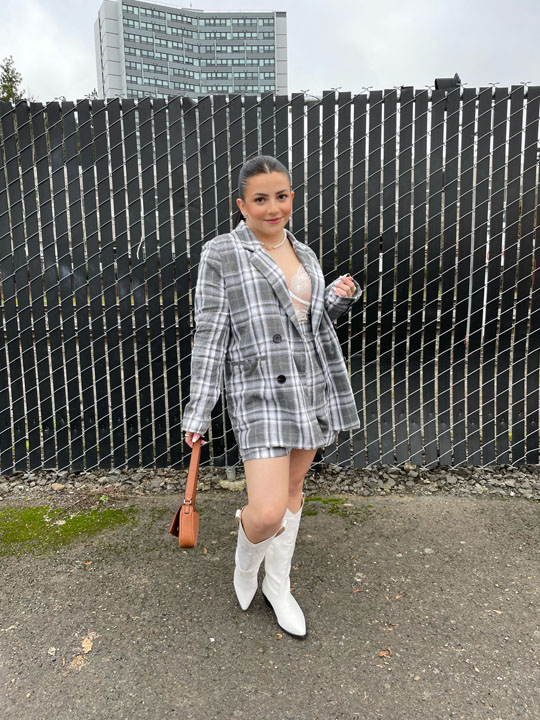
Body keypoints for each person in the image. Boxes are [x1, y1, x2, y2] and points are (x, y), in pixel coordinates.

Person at [182, 155, 361, 639]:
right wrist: (199, 408)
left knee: (292, 492)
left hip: (310, 385)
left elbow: (310, 324)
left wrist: (337, 300)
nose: (272, 207)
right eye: (260, 199)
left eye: (281, 196)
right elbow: (210, 333)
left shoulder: (305, 253)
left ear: (292, 198)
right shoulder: (223, 252)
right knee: (264, 511)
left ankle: (277, 585)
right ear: (242, 205)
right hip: (259, 391)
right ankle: (246, 563)